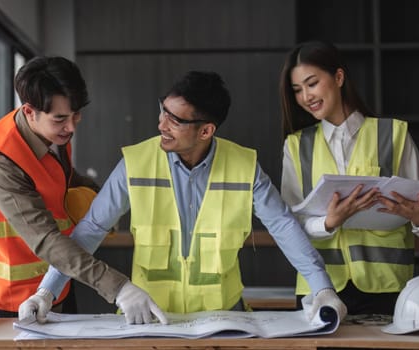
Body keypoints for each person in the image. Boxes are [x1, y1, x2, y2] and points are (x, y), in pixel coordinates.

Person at [20, 70, 346, 322]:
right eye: (163, 111)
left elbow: (284, 226)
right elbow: (90, 231)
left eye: (174, 119)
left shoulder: (244, 166)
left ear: (206, 131)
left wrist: (323, 288)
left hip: (224, 320)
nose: (161, 124)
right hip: (150, 318)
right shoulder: (136, 162)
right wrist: (47, 291)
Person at [0, 56, 166, 324]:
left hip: (59, 281)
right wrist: (119, 287)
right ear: (30, 111)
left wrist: (99, 198)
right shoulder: (1, 162)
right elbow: (45, 239)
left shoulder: (54, 134)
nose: (72, 126)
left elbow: (61, 177)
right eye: (61, 118)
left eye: (76, 114)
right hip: (18, 301)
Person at [279, 40, 419, 315]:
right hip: (319, 288)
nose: (305, 96)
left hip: (388, 288)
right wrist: (328, 222)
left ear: (338, 77)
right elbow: (289, 223)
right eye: (297, 90)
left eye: (312, 83)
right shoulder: (296, 146)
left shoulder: (393, 135)